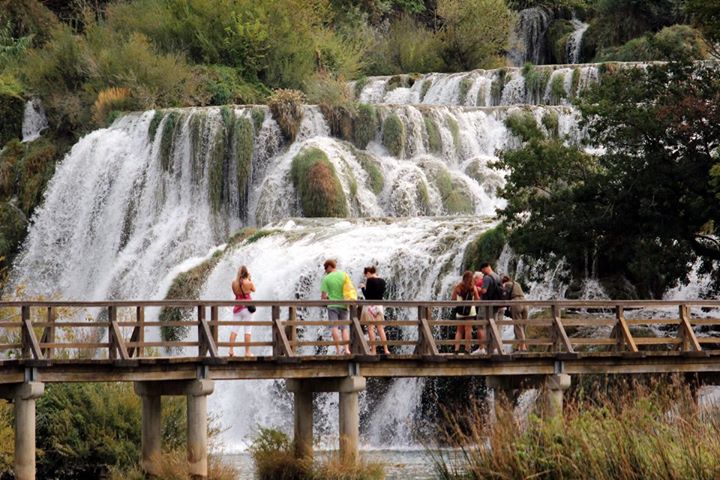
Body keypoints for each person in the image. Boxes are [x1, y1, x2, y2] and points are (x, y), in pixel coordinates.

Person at [321, 259, 351, 355]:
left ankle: (338, 350)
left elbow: (324, 297)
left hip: (332, 305)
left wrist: (328, 298)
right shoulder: (344, 275)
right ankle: (346, 349)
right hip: (344, 304)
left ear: (330, 266)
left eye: (326, 268)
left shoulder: (326, 278)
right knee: (344, 328)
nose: (325, 270)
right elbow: (349, 289)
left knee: (334, 327)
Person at [360, 266, 389, 355]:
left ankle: (373, 350)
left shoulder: (370, 280)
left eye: (366, 275)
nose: (366, 277)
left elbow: (368, 296)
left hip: (370, 307)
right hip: (379, 307)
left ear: (368, 273)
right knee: (380, 329)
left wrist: (362, 288)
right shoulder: (383, 281)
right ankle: (386, 349)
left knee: (370, 329)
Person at [475, 262, 503, 355]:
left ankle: (482, 348)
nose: (482, 273)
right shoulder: (497, 276)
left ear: (485, 268)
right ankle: (493, 348)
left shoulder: (487, 277)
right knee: (492, 326)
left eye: (482, 271)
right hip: (494, 305)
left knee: (480, 324)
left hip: (486, 304)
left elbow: (484, 290)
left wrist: (476, 288)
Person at [229, 265, 255, 357]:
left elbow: (236, 294)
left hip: (237, 308)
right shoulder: (248, 282)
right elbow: (254, 289)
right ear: (246, 273)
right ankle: (247, 352)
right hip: (247, 308)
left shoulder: (234, 283)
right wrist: (249, 279)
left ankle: (231, 351)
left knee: (234, 330)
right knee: (247, 330)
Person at [451, 270, 480, 354]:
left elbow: (453, 299)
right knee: (468, 331)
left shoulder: (458, 287)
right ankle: (467, 349)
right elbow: (478, 299)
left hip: (460, 311)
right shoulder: (473, 288)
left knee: (459, 331)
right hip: (470, 311)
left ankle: (456, 349)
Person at [502, 275, 528, 352]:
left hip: (516, 303)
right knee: (523, 325)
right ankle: (521, 346)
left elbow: (505, 296)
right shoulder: (517, 283)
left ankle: (522, 347)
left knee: (518, 326)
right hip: (525, 302)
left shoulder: (506, 284)